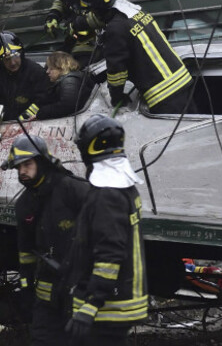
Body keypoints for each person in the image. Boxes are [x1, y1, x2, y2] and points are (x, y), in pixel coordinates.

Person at [64, 114, 148, 345]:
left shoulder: (106, 194)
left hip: (108, 307)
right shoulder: (124, 186)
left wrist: (91, 304)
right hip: (119, 302)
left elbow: (110, 254)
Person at [1, 134, 90, 346]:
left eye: (27, 165)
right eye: (18, 167)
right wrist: (25, 287)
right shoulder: (24, 204)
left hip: (79, 288)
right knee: (42, 339)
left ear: (41, 162)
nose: (22, 172)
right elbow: (25, 251)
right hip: (47, 291)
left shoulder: (73, 189)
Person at [77, 0, 195, 115]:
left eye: (92, 10)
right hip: (184, 81)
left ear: (99, 9)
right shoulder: (137, 13)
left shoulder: (115, 29)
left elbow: (117, 72)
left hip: (163, 95)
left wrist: (117, 99)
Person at [0, 31, 49, 123]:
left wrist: (25, 118)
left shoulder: (36, 72)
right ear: (1, 61)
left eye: (15, 56)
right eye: (7, 59)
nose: (12, 63)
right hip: (2, 126)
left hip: (31, 123)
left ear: (21, 53)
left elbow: (44, 99)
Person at [19, 51, 95, 121]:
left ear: (61, 67)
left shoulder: (70, 81)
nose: (47, 72)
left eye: (51, 68)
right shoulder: (67, 80)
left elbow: (68, 105)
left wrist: (42, 113)